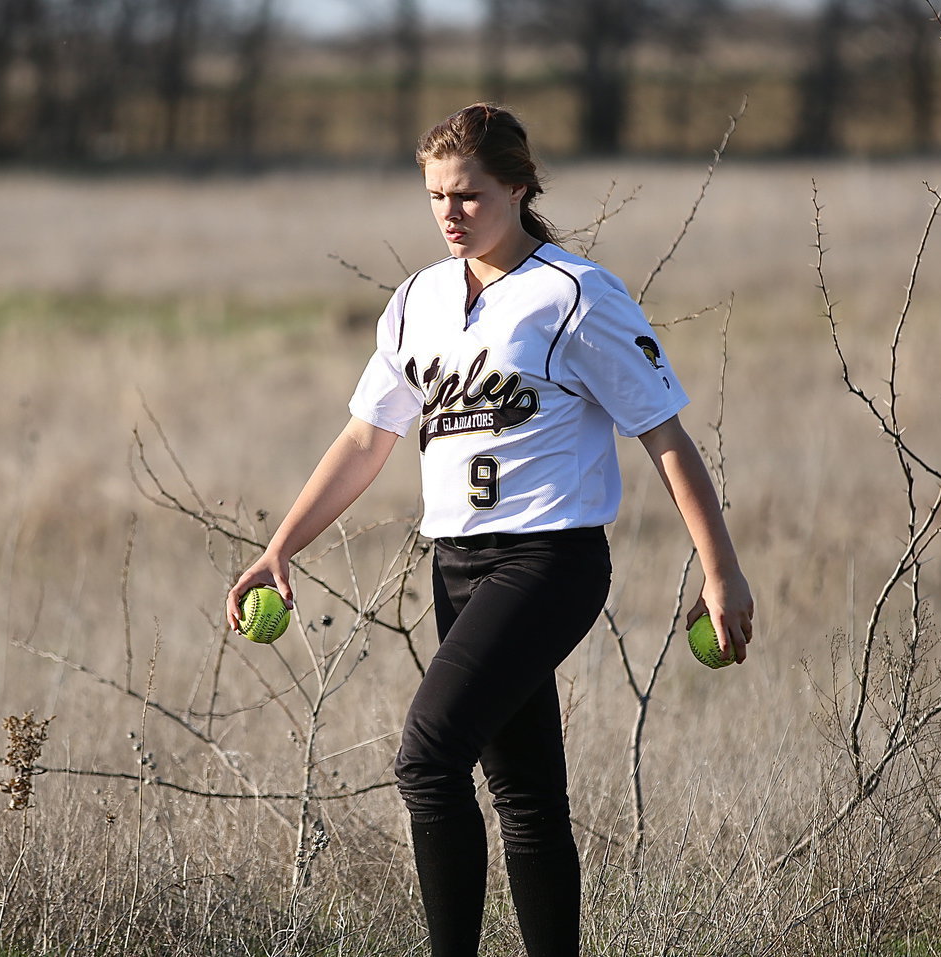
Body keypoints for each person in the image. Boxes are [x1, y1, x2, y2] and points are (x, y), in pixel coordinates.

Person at [226, 103, 754, 957]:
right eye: (436, 195)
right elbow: (365, 439)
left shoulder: (575, 294)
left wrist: (719, 569)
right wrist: (280, 547)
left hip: (549, 560)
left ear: (518, 187)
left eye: (468, 194)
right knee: (526, 794)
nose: (451, 212)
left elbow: (664, 434)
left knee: (427, 759)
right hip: (457, 567)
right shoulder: (417, 300)